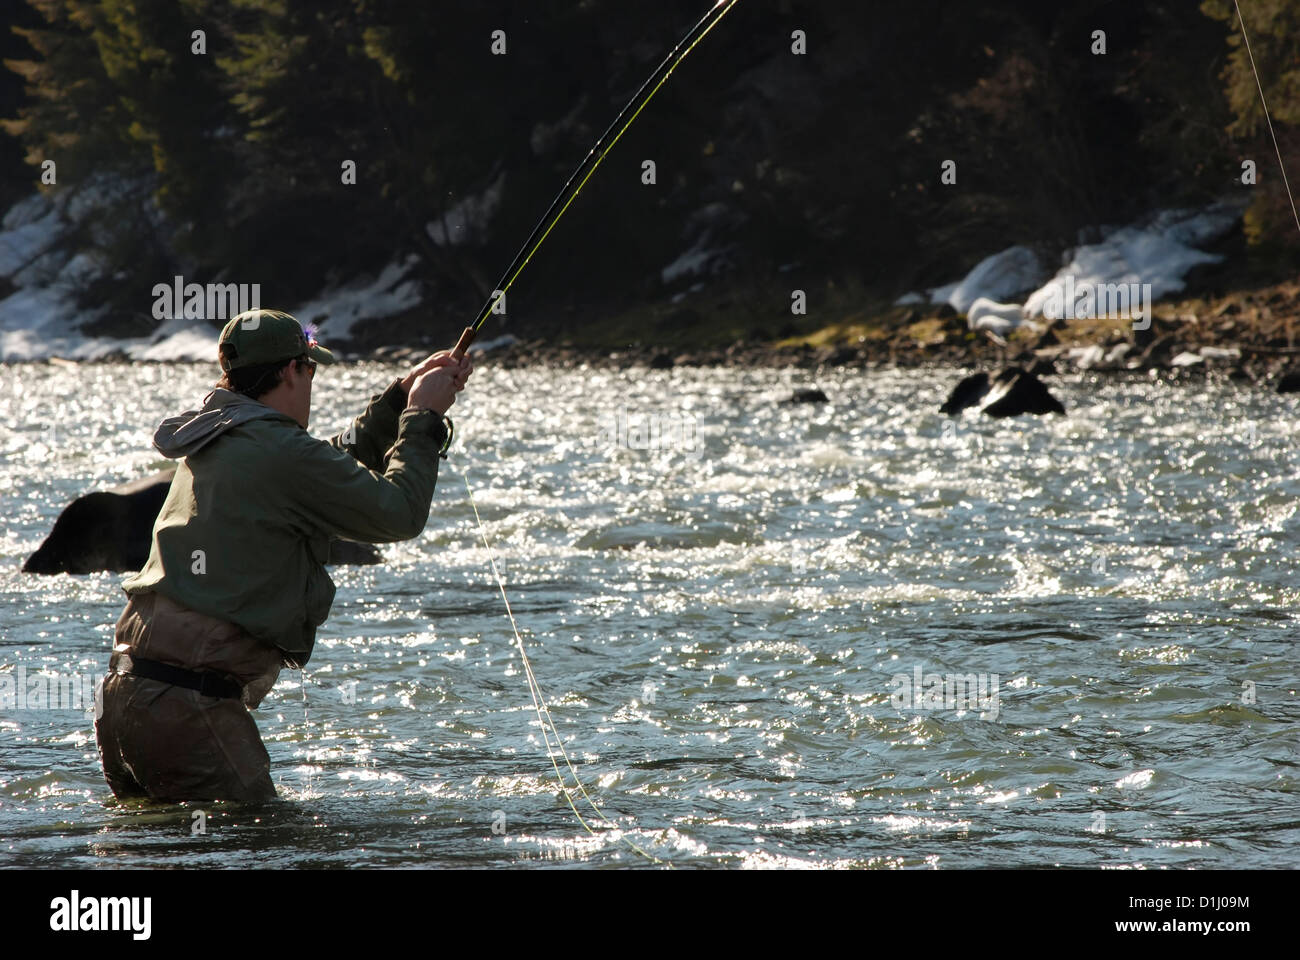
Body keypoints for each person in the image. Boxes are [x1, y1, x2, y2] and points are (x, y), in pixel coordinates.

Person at [93, 308, 472, 802]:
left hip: (123, 701)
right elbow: (398, 514)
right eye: (310, 368)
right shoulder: (277, 450)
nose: (311, 381)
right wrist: (422, 420)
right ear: (293, 370)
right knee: (262, 846)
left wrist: (400, 398)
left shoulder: (220, 434)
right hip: (188, 708)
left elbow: (323, 469)